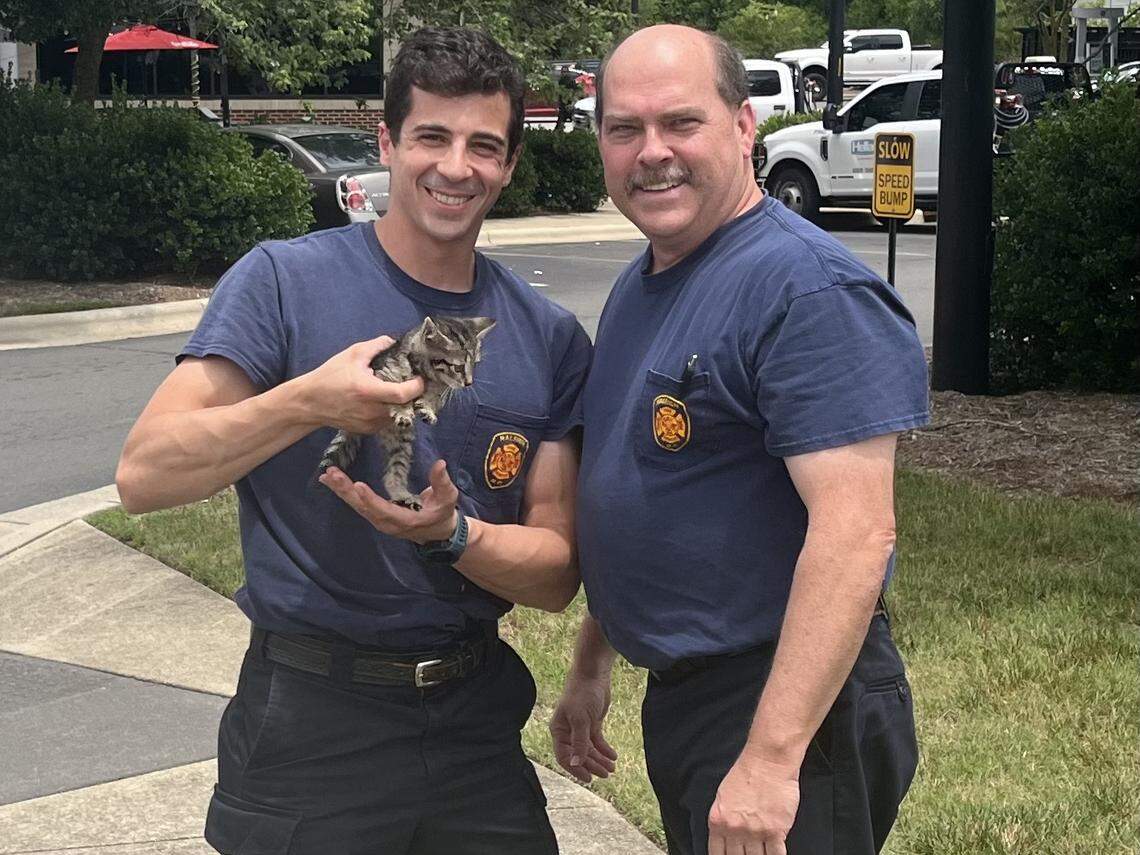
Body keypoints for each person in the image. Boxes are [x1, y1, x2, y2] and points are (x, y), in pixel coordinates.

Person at [116, 26, 591, 855]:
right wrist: (307, 401)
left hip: (473, 722)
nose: (456, 167)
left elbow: (556, 571)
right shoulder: (282, 282)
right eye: (431, 137)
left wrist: (451, 534)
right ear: (387, 142)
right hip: (309, 719)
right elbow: (144, 473)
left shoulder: (547, 336)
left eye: (484, 145)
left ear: (510, 163)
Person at [550, 25, 929, 855]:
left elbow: (858, 533)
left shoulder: (809, 291)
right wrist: (593, 659)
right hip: (692, 699)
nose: (653, 152)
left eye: (680, 123)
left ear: (744, 126)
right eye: (625, 129)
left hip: (786, 708)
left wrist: (768, 759)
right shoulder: (645, 279)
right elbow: (646, 484)